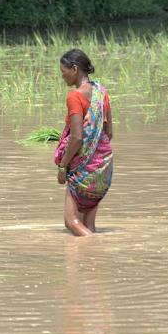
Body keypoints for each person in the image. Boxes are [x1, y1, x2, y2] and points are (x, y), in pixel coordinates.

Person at [54, 49, 113, 236]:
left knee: (71, 222)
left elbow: (77, 137)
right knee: (88, 225)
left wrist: (63, 166)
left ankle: (95, 247)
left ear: (74, 69)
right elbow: (109, 132)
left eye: (63, 72)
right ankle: (91, 261)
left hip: (83, 169)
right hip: (103, 166)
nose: (62, 77)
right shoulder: (101, 92)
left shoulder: (75, 96)